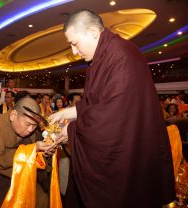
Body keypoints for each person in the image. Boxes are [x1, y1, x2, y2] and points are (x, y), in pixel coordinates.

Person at [49, 9, 175, 208]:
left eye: (74, 43)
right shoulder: (101, 58)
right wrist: (68, 112)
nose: (73, 52)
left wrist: (70, 130)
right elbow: (97, 101)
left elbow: (111, 116)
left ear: (92, 32)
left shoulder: (121, 55)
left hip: (126, 150)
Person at [0, 97, 56, 208]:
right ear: (13, 115)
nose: (31, 129)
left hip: (22, 177)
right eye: (28, 124)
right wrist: (33, 149)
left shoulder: (32, 132)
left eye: (34, 126)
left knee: (42, 200)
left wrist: (44, 154)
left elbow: (37, 160)